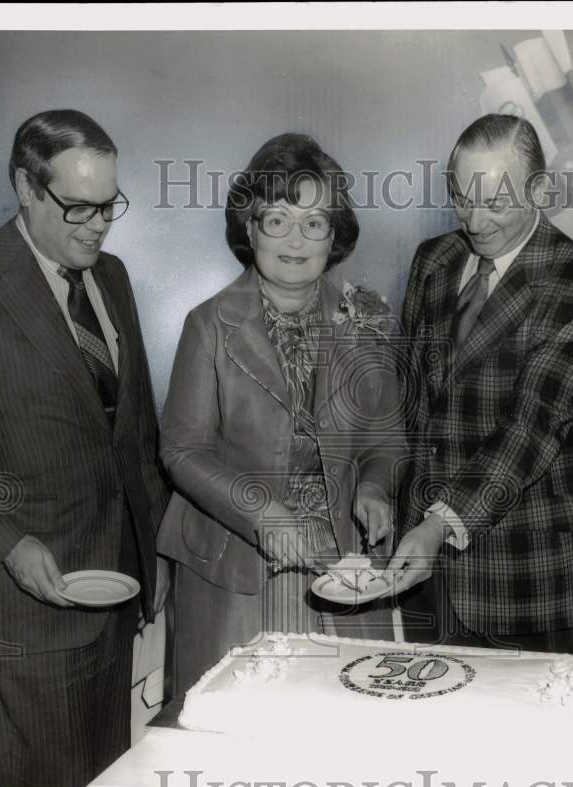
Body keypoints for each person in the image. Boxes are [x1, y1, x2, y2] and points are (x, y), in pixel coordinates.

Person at [0, 109, 170, 787]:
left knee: (109, 786)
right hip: (28, 608)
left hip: (116, 588)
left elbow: (133, 437)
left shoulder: (112, 278)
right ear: (25, 186)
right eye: (78, 207)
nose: (98, 225)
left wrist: (154, 546)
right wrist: (6, 543)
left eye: (108, 205)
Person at [157, 133, 405, 693]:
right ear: (249, 227)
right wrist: (260, 510)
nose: (296, 239)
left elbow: (385, 441)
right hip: (240, 568)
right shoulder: (208, 324)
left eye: (314, 222)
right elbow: (181, 449)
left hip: (343, 571)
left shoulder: (365, 320)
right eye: (277, 220)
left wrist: (374, 488)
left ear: (333, 236)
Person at [389, 114, 573, 653]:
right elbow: (414, 401)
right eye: (463, 200)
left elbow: (531, 428)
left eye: (496, 203)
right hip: (424, 573)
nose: (475, 221)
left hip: (526, 577)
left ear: (538, 189)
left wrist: (441, 524)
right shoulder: (433, 260)